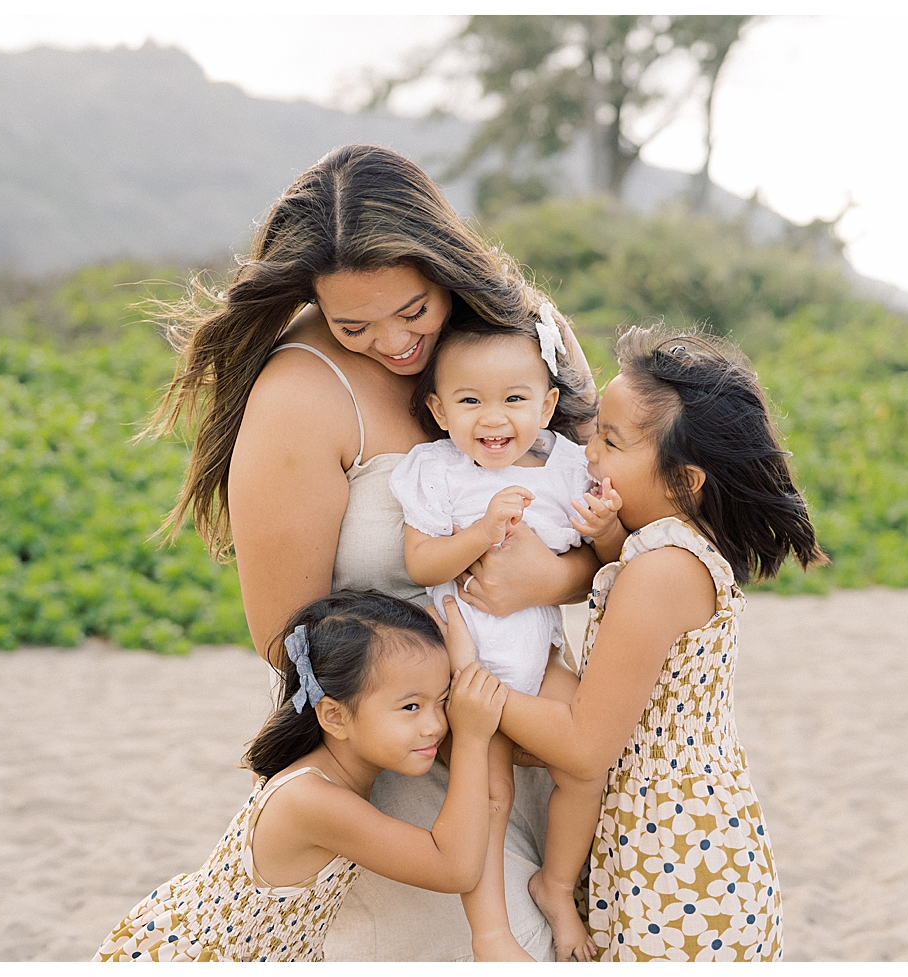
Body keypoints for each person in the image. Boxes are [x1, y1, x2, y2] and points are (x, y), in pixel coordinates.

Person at [142, 144, 600, 960]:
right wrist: (444, 688)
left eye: (414, 311)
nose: (392, 343)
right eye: (354, 324)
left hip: (540, 733)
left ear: (447, 268)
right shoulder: (301, 395)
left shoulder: (523, 336)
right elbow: (284, 635)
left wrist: (555, 574)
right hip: (411, 763)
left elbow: (606, 517)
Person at [494, 326, 827, 961]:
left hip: (677, 867)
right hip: (678, 841)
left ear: (683, 479)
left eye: (610, 441)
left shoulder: (661, 572)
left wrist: (475, 692)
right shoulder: (665, 551)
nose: (588, 451)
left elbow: (587, 749)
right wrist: (609, 539)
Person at [94, 591, 505, 962]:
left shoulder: (319, 773)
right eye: (411, 707)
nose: (435, 724)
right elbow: (455, 868)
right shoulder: (313, 799)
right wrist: (472, 736)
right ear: (334, 716)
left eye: (444, 701)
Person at [388, 300, 610, 961]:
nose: (493, 418)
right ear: (439, 410)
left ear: (545, 407)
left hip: (536, 658)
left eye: (514, 398)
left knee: (587, 759)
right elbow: (421, 561)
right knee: (488, 793)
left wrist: (603, 527)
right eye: (470, 400)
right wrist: (482, 532)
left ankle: (555, 882)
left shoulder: (566, 467)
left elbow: (597, 562)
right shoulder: (437, 470)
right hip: (462, 666)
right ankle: (493, 934)